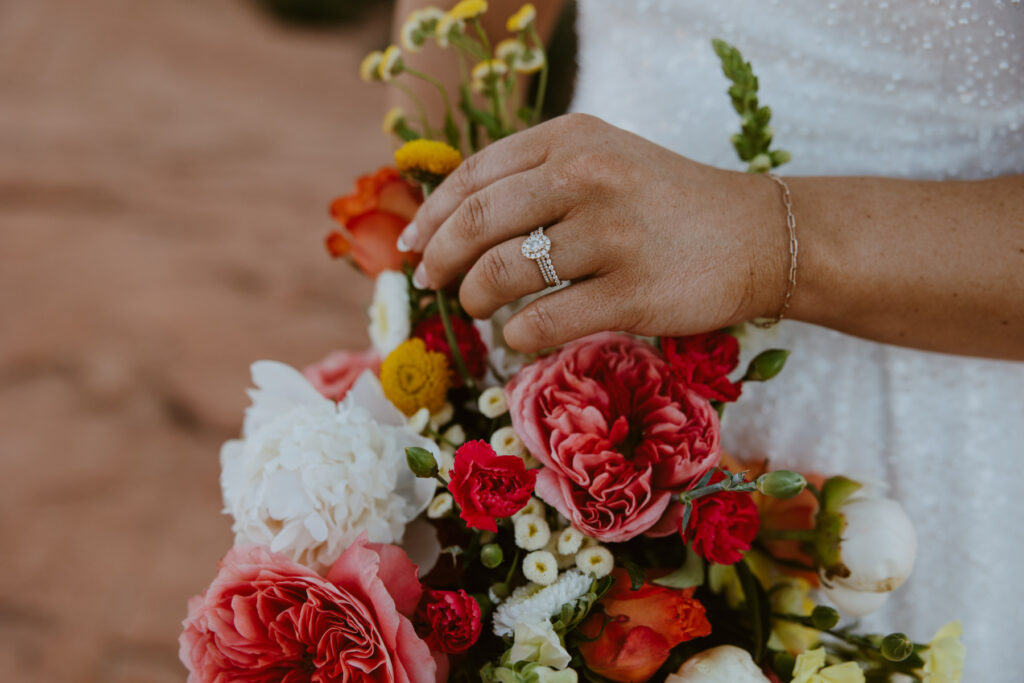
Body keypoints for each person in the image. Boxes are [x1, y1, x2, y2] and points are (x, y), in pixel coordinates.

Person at [392, 1, 1024, 678]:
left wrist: (761, 240)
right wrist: (437, 282)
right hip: (565, 366)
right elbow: (461, 26)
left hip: (925, 391)